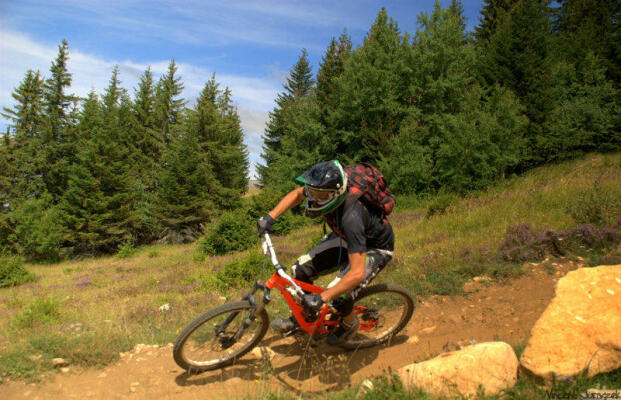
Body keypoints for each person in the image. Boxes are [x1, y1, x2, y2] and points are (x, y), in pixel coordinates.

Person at [257, 160, 394, 345]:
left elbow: (357, 274)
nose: (313, 198)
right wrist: (270, 216)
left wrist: (322, 298)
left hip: (373, 247)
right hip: (345, 238)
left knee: (339, 295)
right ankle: (305, 317)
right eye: (312, 192)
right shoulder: (324, 189)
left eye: (318, 195)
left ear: (336, 193)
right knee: (300, 271)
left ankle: (350, 324)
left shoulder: (352, 218)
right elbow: (298, 194)